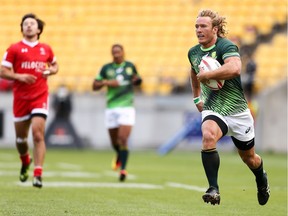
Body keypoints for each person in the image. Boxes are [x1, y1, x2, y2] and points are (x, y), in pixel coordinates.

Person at [187, 9, 270, 205]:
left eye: (203, 26)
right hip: (214, 108)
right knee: (208, 135)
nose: (198, 30)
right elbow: (193, 70)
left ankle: (261, 178)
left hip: (238, 112)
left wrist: (208, 75)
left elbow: (235, 68)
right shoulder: (193, 52)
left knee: (250, 159)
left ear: (215, 29)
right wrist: (196, 98)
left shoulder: (226, 46)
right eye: (196, 26)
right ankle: (213, 188)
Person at [0, 13, 59, 188]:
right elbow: (3, 71)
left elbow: (55, 65)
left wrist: (51, 71)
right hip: (21, 99)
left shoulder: (46, 49)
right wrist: (19, 76)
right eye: (25, 23)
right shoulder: (14, 49)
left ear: (38, 29)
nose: (29, 26)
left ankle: (38, 173)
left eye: (32, 23)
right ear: (22, 28)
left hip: (40, 96)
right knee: (21, 140)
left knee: (38, 134)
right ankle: (25, 160)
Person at [92, 44, 142, 181]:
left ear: (123, 53)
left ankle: (123, 170)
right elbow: (94, 85)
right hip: (111, 107)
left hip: (127, 107)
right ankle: (119, 154)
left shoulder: (130, 66)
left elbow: (138, 80)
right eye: (114, 52)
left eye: (118, 52)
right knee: (114, 142)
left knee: (123, 139)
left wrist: (136, 80)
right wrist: (107, 83)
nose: (116, 54)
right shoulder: (106, 68)